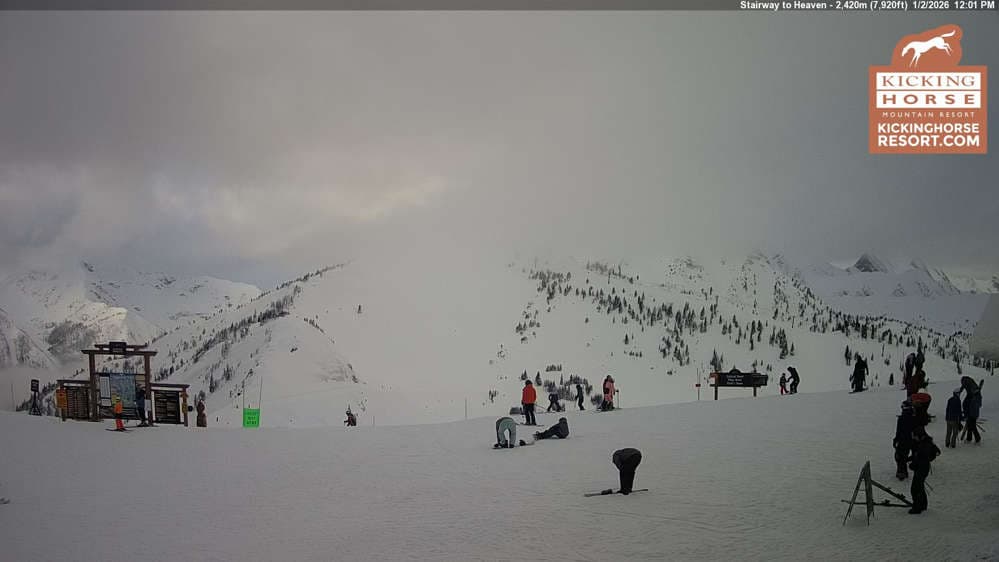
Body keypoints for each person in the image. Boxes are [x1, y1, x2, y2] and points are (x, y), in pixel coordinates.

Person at [907, 428, 941, 514]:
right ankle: (923, 505)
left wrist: (913, 465)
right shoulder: (923, 442)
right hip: (922, 468)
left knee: (915, 488)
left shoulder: (925, 445)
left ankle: (917, 507)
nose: (913, 438)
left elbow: (920, 458)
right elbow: (917, 455)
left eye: (914, 436)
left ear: (920, 436)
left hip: (922, 469)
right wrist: (909, 459)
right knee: (920, 486)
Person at [893, 400, 915, 480]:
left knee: (900, 456)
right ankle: (903, 471)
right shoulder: (913, 417)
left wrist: (896, 439)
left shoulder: (902, 418)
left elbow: (899, 431)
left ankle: (902, 472)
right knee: (902, 456)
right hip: (910, 440)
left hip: (904, 440)